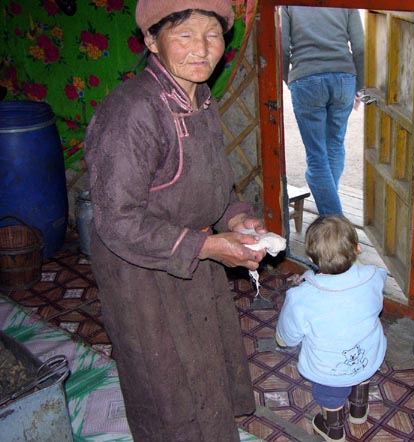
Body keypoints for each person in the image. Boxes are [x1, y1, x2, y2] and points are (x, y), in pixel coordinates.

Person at [84, 1, 270, 440]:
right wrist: (206, 246)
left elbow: (213, 185)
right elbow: (117, 220)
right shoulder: (131, 113)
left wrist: (238, 219)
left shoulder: (201, 99)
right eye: (185, 35)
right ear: (152, 41)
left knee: (203, 360)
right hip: (142, 273)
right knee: (164, 379)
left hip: (193, 260)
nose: (202, 49)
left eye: (213, 35)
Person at [275, 215, 387, 441]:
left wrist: (282, 339)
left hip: (330, 369)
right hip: (368, 355)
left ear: (310, 258)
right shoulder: (374, 276)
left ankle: (333, 429)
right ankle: (358, 410)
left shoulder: (301, 297)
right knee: (361, 372)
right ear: (357, 249)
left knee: (330, 394)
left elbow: (289, 334)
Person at [281, 7, 365, 216]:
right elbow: (360, 47)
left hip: (306, 77)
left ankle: (335, 221)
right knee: (334, 146)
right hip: (344, 77)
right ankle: (331, 213)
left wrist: (288, 78)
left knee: (317, 157)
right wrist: (359, 86)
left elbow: (281, 47)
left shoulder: (288, 4)